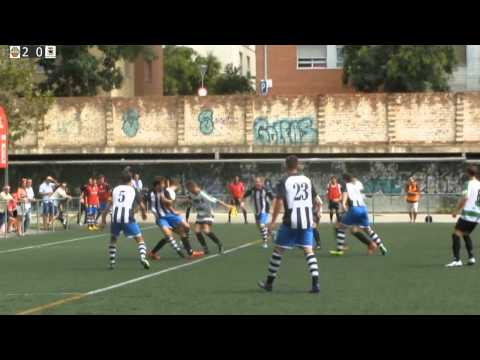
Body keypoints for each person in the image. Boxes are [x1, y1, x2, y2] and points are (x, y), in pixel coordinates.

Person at [257, 155, 321, 294]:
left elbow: (279, 202)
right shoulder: (307, 180)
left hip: (290, 220)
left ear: (286, 166)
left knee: (278, 251)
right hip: (306, 220)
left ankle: (269, 283)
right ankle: (315, 284)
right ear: (297, 165)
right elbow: (317, 200)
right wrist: (315, 215)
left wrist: (273, 221)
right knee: (308, 251)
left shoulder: (284, 181)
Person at [329, 174, 387, 256]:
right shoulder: (356, 185)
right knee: (367, 230)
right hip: (363, 209)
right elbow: (360, 192)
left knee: (340, 227)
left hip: (354, 209)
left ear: (344, 180)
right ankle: (381, 246)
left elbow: (345, 194)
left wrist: (342, 203)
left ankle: (340, 249)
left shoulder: (346, 185)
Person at [102, 172, 150, 270]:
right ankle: (142, 257)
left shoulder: (115, 189)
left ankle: (112, 262)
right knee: (139, 239)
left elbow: (108, 205)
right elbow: (142, 205)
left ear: (121, 180)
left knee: (113, 239)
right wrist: (144, 214)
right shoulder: (134, 189)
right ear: (131, 180)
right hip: (127, 217)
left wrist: (103, 219)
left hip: (115, 217)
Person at [148, 178, 203, 260]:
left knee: (186, 227)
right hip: (161, 217)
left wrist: (172, 209)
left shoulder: (165, 192)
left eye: (164, 184)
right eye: (162, 184)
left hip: (170, 215)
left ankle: (188, 250)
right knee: (169, 235)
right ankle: (190, 252)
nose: (163, 186)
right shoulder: (149, 194)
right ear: (157, 185)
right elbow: (141, 202)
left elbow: (169, 203)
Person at [445, 165, 480, 267]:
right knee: (465, 234)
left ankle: (457, 260)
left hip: (468, 214)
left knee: (456, 234)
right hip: (477, 215)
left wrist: (456, 210)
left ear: (468, 173)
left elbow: (465, 198)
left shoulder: (468, 184)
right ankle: (471, 258)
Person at [185, 180, 232, 254]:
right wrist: (187, 218)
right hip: (200, 215)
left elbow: (215, 200)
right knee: (197, 231)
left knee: (206, 231)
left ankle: (219, 244)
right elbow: (189, 206)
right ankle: (205, 248)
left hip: (208, 214)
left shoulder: (202, 194)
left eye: (189, 188)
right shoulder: (190, 194)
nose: (188, 190)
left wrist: (226, 205)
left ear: (193, 187)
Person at [243, 177, 275, 248]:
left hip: (264, 209)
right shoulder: (252, 189)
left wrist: (272, 209)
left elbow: (272, 198)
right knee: (259, 227)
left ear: (261, 183)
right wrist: (242, 202)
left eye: (258, 182)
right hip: (256, 210)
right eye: (256, 182)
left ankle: (265, 243)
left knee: (261, 225)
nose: (257, 183)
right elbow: (244, 195)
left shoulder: (266, 190)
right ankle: (272, 233)